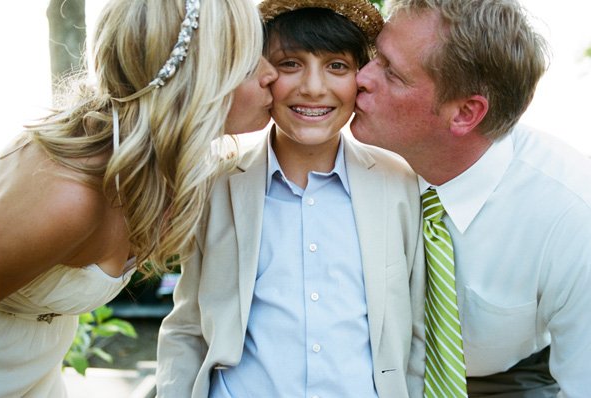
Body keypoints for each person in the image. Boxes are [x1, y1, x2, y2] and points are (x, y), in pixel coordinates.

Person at [0, 0, 278, 396]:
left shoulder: (163, 167)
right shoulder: (70, 195)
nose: (272, 74)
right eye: (248, 64)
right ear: (197, 79)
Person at [156, 0, 426, 397]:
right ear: (263, 75)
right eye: (290, 64)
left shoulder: (399, 182)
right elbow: (188, 325)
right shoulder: (217, 183)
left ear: (361, 78)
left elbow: (415, 333)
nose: (314, 88)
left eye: (336, 66)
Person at [350, 0, 591, 396]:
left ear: (464, 113)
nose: (361, 77)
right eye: (375, 56)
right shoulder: (346, 159)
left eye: (392, 73)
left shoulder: (571, 213)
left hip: (508, 381)